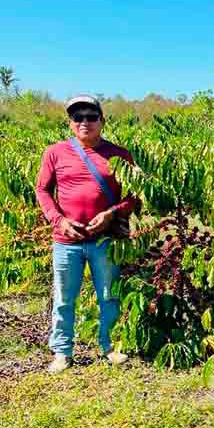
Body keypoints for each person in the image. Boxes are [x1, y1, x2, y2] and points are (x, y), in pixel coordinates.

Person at [35, 95, 140, 373]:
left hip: (104, 240)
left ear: (102, 121)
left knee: (109, 295)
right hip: (66, 241)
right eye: (77, 117)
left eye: (91, 117)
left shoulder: (119, 154)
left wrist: (111, 214)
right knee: (64, 298)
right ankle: (62, 351)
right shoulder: (55, 152)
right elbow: (42, 190)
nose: (85, 122)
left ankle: (111, 347)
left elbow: (134, 195)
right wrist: (59, 220)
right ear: (70, 123)